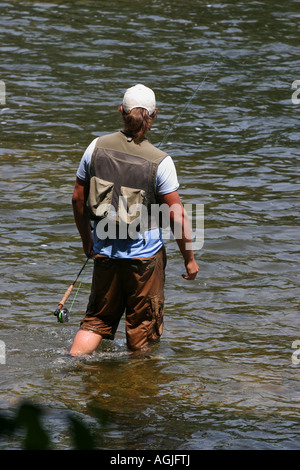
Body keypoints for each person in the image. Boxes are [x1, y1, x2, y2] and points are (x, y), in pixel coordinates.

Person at [69, 84, 199, 356]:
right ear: (154, 115)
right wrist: (189, 258)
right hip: (143, 262)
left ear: (121, 112)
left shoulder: (95, 147)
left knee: (95, 322)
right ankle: (136, 390)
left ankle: (69, 366)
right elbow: (177, 214)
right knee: (142, 332)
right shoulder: (161, 161)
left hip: (104, 252)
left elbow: (78, 198)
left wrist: (87, 239)